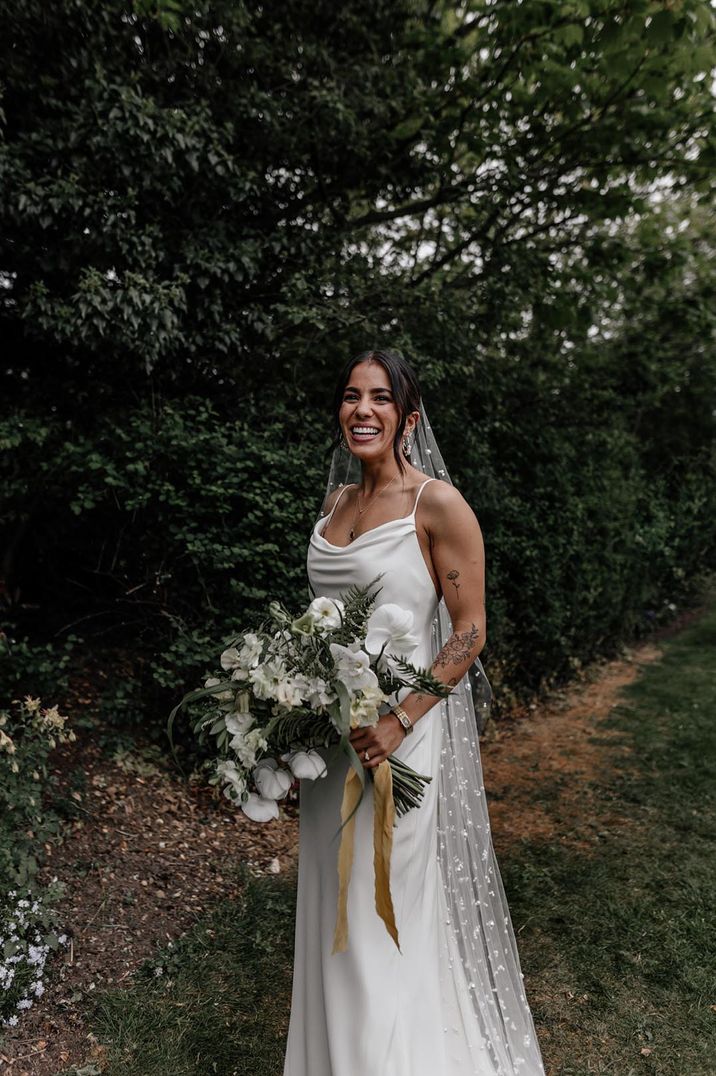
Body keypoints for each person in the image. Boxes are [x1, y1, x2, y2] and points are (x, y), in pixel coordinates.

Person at [283, 348, 546, 1075]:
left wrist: (399, 717)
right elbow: (322, 628)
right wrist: (293, 715)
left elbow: (469, 630)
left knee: (376, 919)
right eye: (349, 396)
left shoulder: (438, 505)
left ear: (408, 418)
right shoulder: (335, 506)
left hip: (398, 747)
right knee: (332, 916)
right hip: (334, 744)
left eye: (379, 398)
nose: (361, 409)